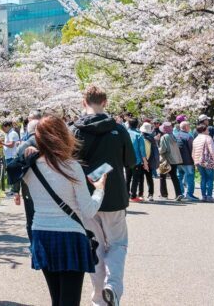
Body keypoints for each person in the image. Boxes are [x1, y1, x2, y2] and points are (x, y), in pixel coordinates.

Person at [24, 116, 108, 306]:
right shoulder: (71, 166)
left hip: (41, 233)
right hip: (70, 236)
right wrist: (100, 188)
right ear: (64, 136)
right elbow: (88, 210)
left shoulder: (29, 168)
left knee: (57, 299)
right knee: (69, 300)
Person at [70, 85, 135, 306]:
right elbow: (130, 161)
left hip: (85, 197)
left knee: (94, 246)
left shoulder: (74, 131)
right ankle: (112, 287)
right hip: (114, 195)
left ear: (83, 102)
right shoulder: (119, 130)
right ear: (105, 102)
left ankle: (99, 297)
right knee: (117, 243)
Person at [192, 123, 214, 203]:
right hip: (208, 162)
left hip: (198, 161)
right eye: (207, 129)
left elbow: (193, 152)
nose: (208, 131)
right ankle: (209, 196)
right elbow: (212, 150)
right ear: (204, 130)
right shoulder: (208, 138)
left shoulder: (195, 139)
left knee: (203, 178)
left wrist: (195, 161)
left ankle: (203, 196)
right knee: (210, 178)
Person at [158, 122, 183, 200]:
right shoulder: (173, 135)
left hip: (166, 159)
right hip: (175, 160)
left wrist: (157, 150)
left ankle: (164, 195)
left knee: (162, 177)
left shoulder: (164, 137)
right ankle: (178, 193)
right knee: (174, 176)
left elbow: (163, 150)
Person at [133, 123, 158, 201]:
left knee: (141, 179)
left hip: (142, 161)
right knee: (149, 178)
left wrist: (144, 161)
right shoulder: (152, 139)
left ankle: (141, 194)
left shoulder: (142, 138)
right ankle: (150, 194)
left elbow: (143, 151)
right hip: (150, 161)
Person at [174, 121, 197, 201]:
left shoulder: (175, 135)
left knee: (179, 177)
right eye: (189, 126)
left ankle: (180, 193)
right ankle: (189, 194)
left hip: (177, 160)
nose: (190, 128)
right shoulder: (189, 137)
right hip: (187, 161)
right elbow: (192, 150)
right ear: (186, 127)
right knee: (190, 177)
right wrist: (195, 160)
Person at [125, 118, 146, 201]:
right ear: (137, 125)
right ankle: (133, 195)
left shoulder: (125, 133)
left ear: (129, 124)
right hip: (136, 160)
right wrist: (145, 161)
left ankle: (126, 194)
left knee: (128, 178)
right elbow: (142, 150)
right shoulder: (139, 135)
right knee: (135, 178)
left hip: (126, 159)